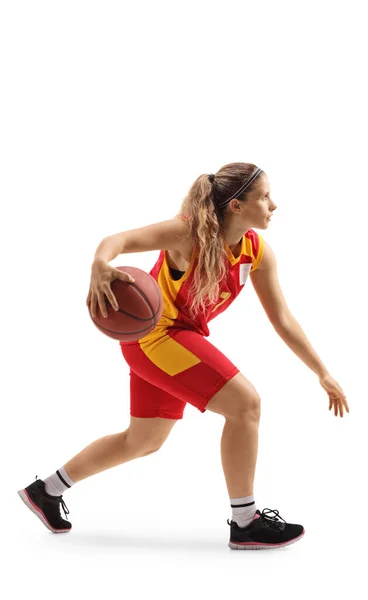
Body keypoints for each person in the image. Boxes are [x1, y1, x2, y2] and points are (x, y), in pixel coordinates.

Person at [17, 162, 349, 550]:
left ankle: (45, 491)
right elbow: (117, 240)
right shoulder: (186, 234)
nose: (273, 205)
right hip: (155, 339)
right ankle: (245, 521)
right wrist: (99, 265)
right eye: (264, 197)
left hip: (173, 342)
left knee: (141, 441)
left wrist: (321, 372)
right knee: (246, 405)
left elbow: (283, 319)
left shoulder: (257, 252)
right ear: (237, 206)